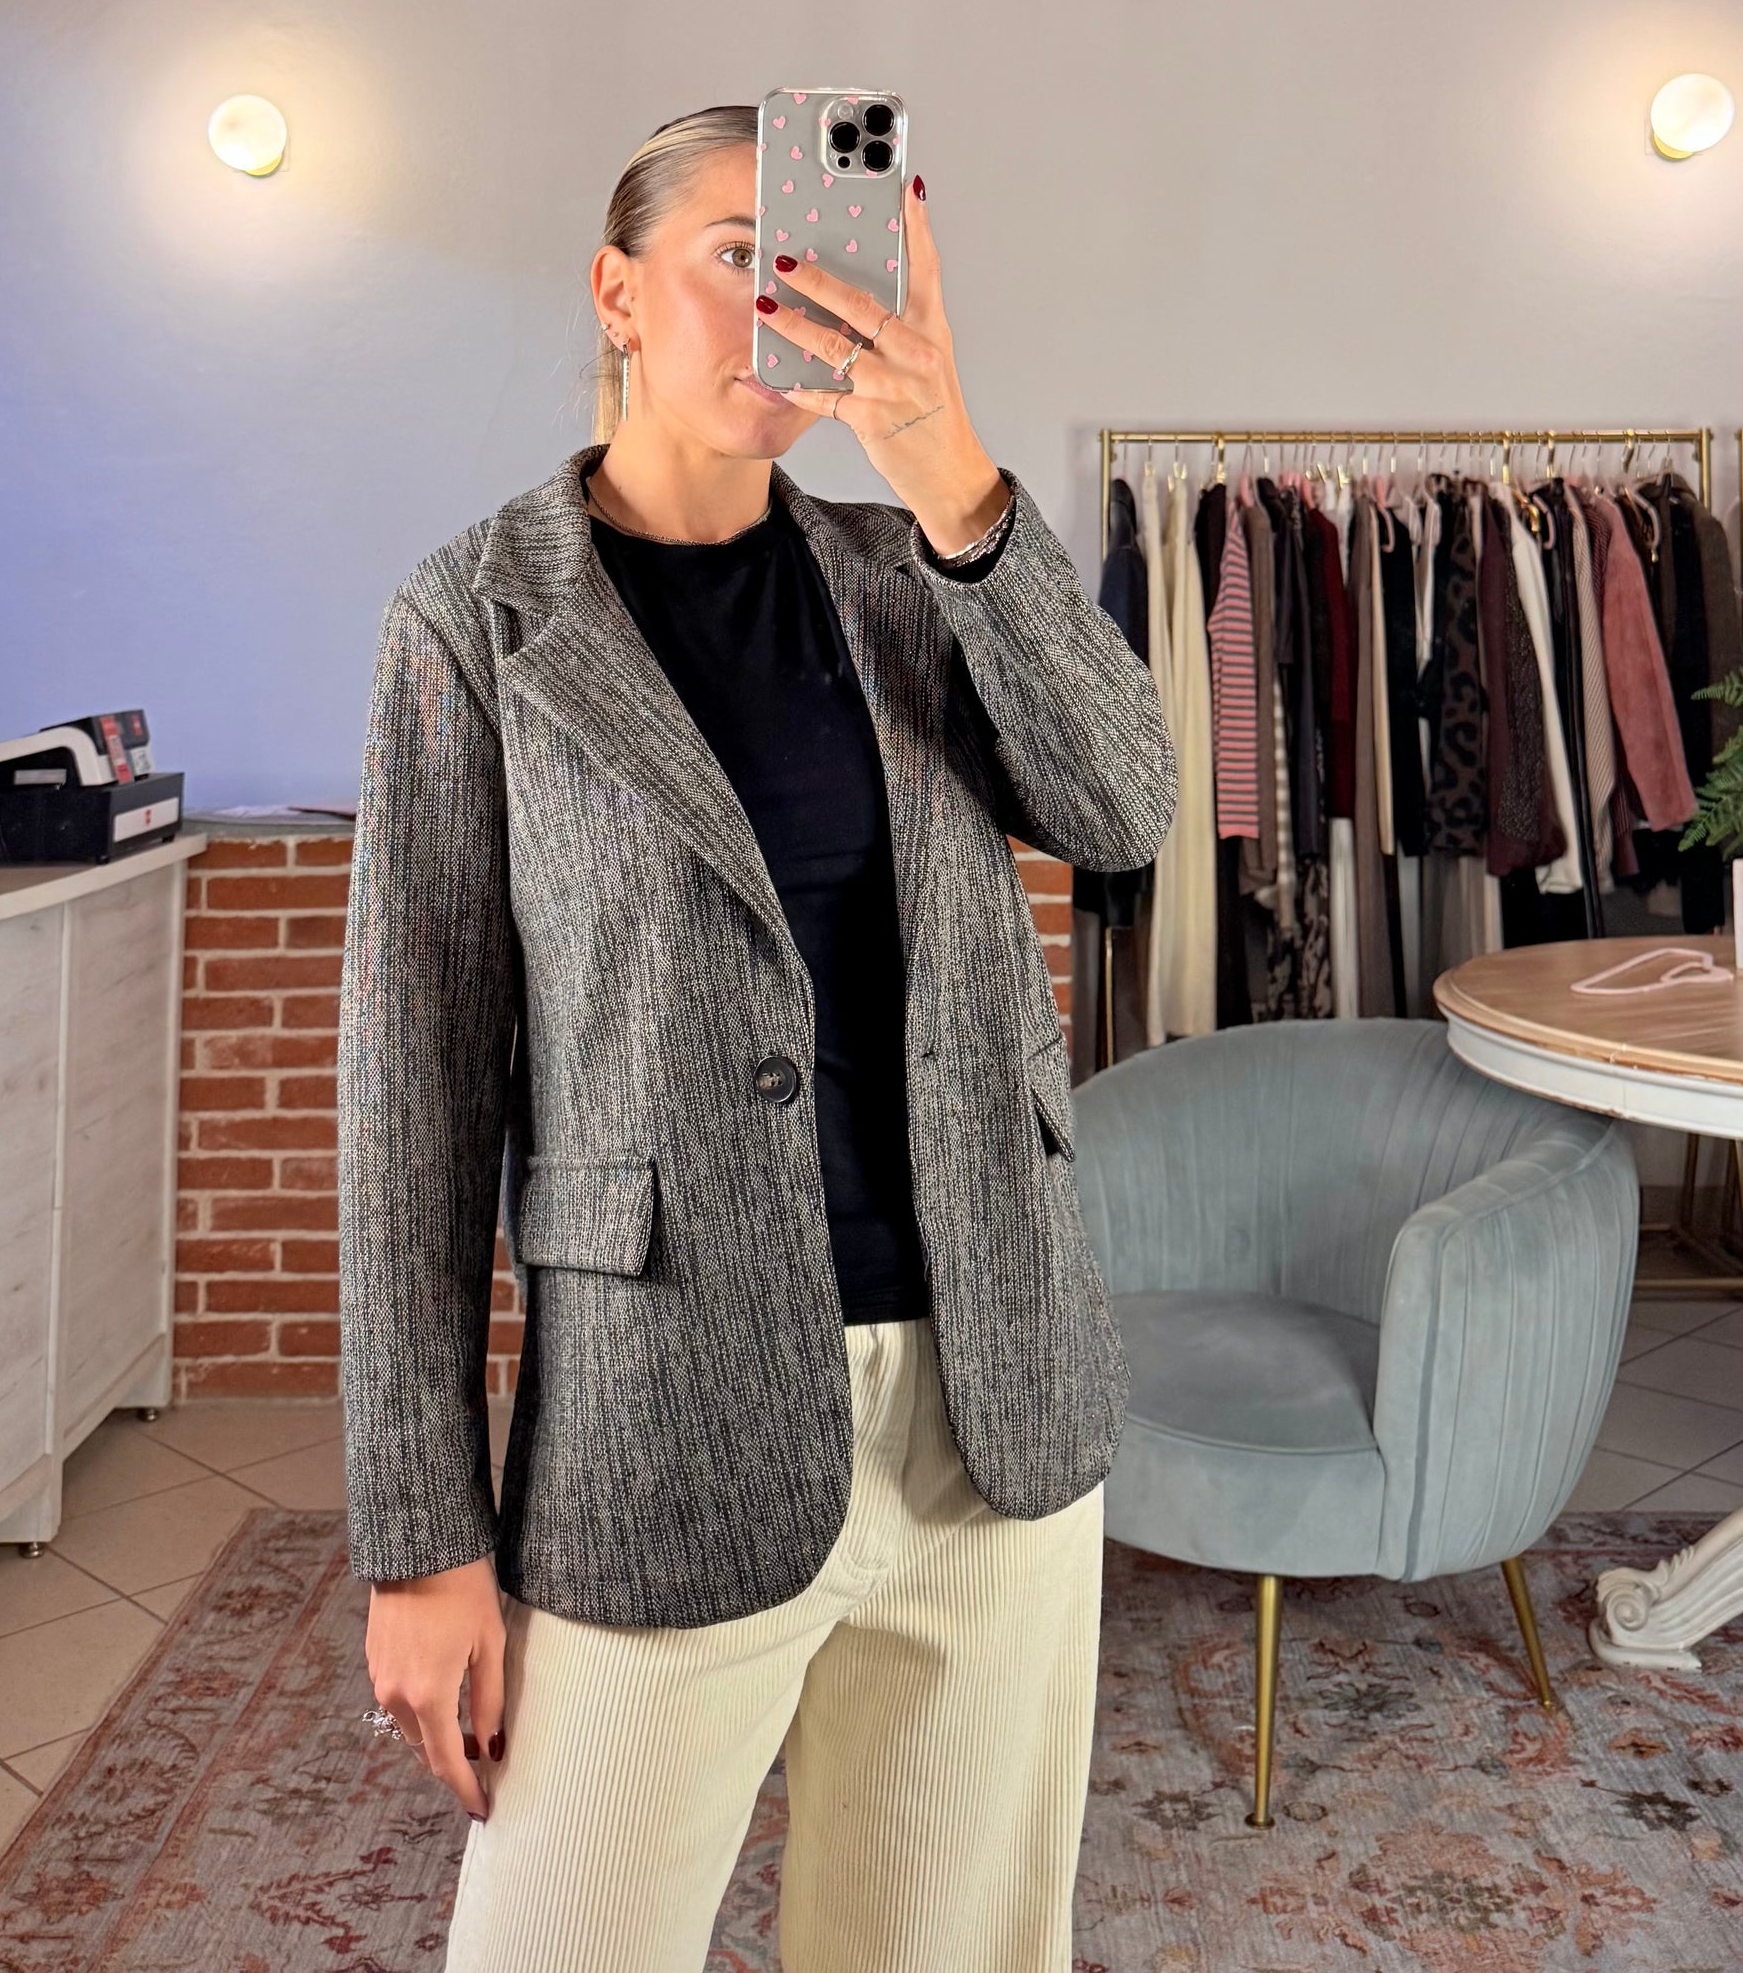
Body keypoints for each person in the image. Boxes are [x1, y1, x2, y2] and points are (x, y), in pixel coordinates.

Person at [336, 102, 1178, 1973]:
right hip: (663, 1411)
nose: (788, 300)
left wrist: (945, 463)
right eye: (740, 251)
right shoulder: (475, 619)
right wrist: (420, 1534)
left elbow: (1122, 808)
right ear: (617, 290)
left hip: (987, 1394)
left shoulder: (912, 570)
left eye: (824, 258)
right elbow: (413, 1101)